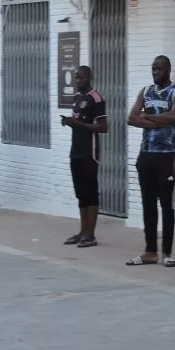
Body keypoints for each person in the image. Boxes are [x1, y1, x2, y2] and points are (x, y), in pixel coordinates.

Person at [127, 56, 175, 267]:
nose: (155, 73)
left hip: (167, 156)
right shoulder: (145, 92)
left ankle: (167, 253)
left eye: (159, 69)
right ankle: (150, 251)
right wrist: (157, 121)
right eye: (153, 69)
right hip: (146, 155)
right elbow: (130, 118)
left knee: (166, 206)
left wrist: (148, 118)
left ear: (168, 70)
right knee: (148, 205)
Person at [62, 66, 106, 246]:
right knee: (80, 193)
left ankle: (91, 235)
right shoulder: (77, 97)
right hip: (76, 150)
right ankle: (82, 231)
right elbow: (79, 122)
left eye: (81, 78)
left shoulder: (96, 98)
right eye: (76, 78)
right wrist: (69, 123)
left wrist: (79, 124)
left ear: (89, 77)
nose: (77, 81)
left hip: (90, 151)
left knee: (90, 192)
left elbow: (103, 127)